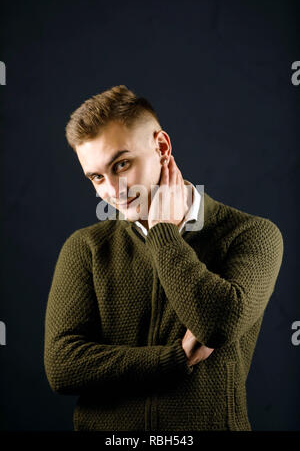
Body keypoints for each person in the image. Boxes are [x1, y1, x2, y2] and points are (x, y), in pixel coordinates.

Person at [44, 84, 284, 431]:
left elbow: (217, 326)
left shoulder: (251, 234)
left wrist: (162, 233)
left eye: (122, 164)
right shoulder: (86, 247)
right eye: (97, 177)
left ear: (161, 147)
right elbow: (63, 367)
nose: (113, 191)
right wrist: (175, 359)